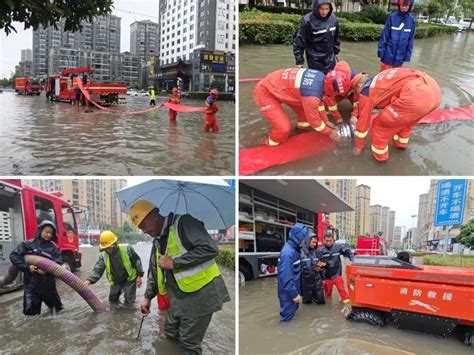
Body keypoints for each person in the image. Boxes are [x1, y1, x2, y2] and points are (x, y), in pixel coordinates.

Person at [130, 200, 230, 355]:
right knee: (170, 333)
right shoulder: (158, 239)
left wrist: (175, 262)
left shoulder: (185, 223)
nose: (144, 231)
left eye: (144, 226)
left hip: (201, 296)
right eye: (141, 228)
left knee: (189, 345)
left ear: (154, 216)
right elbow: (155, 271)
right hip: (179, 297)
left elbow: (210, 248)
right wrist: (148, 298)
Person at [351, 68, 441, 161]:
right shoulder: (380, 77)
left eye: (355, 91)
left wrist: (358, 146)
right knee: (406, 122)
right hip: (434, 90)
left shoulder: (365, 94)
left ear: (359, 85)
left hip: (416, 98)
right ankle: (401, 144)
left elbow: (363, 124)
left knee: (379, 125)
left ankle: (380, 158)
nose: (357, 95)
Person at [253, 67, 344, 146]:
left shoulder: (321, 77)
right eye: (336, 94)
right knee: (283, 128)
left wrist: (326, 121)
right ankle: (269, 143)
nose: (335, 96)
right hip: (265, 92)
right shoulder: (312, 96)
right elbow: (315, 122)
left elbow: (319, 103)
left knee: (305, 117)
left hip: (280, 86)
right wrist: (330, 132)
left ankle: (299, 130)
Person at [9, 220, 63, 315]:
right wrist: (27, 267)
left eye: (51, 233)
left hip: (48, 286)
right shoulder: (28, 244)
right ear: (40, 231)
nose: (49, 235)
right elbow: (14, 255)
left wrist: (47, 270)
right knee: (30, 316)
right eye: (47, 232)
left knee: (58, 311)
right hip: (31, 285)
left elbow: (58, 264)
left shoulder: (54, 248)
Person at [84, 231, 144, 304]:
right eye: (105, 248)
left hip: (129, 280)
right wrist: (89, 280)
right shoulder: (103, 255)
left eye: (108, 247)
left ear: (114, 244)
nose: (107, 250)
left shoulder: (126, 248)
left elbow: (136, 261)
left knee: (129, 302)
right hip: (116, 281)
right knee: (112, 301)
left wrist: (139, 276)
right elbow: (98, 269)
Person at [293, 0, 340, 74]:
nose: (324, 12)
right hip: (314, 59)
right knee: (317, 81)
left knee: (330, 80)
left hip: (330, 58)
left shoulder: (333, 19)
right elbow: (299, 41)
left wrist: (336, 52)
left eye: (327, 9)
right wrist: (299, 62)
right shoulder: (307, 20)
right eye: (321, 9)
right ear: (316, 7)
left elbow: (336, 37)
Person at [277, 223, 308, 322]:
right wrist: (294, 294)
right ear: (298, 237)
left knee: (292, 316)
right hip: (288, 294)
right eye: (303, 238)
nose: (304, 241)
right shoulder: (287, 253)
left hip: (293, 291)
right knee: (286, 319)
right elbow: (285, 277)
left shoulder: (295, 250)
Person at [377, 0, 415, 72]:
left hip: (400, 57)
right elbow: (384, 36)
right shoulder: (392, 17)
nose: (404, 8)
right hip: (387, 55)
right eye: (402, 6)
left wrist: (407, 56)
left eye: (406, 6)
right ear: (399, 5)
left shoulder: (411, 21)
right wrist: (381, 51)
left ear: (410, 6)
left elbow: (410, 40)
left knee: (395, 77)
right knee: (383, 76)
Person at [319, 230, 353, 305]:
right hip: (327, 277)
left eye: (330, 241)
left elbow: (348, 252)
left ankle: (348, 307)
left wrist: (352, 259)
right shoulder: (320, 250)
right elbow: (318, 266)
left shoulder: (338, 247)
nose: (328, 242)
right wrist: (321, 278)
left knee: (343, 293)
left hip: (337, 275)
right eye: (327, 241)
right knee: (327, 295)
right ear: (324, 240)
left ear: (333, 240)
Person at [322, 60, 359, 125]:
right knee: (326, 102)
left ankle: (356, 116)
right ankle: (328, 114)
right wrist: (338, 118)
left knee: (360, 105)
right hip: (339, 93)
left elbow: (358, 100)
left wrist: (354, 115)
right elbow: (330, 102)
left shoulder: (355, 80)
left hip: (350, 93)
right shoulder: (330, 81)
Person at [301, 234, 326, 304]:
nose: (314, 244)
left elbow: (323, 266)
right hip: (306, 284)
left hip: (317, 282)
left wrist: (321, 268)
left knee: (321, 302)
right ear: (308, 241)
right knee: (307, 304)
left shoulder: (317, 252)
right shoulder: (300, 253)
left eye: (316, 242)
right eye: (313, 242)